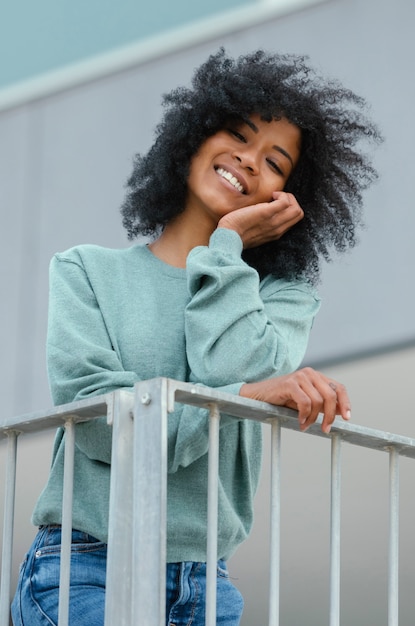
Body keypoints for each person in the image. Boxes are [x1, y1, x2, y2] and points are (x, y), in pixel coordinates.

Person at [11, 48, 381, 625]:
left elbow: (229, 361)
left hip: (206, 584)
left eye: (276, 163)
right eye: (238, 133)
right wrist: (251, 397)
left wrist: (225, 248)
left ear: (288, 196)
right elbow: (108, 433)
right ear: (193, 135)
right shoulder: (85, 271)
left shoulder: (283, 298)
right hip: (86, 569)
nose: (249, 160)